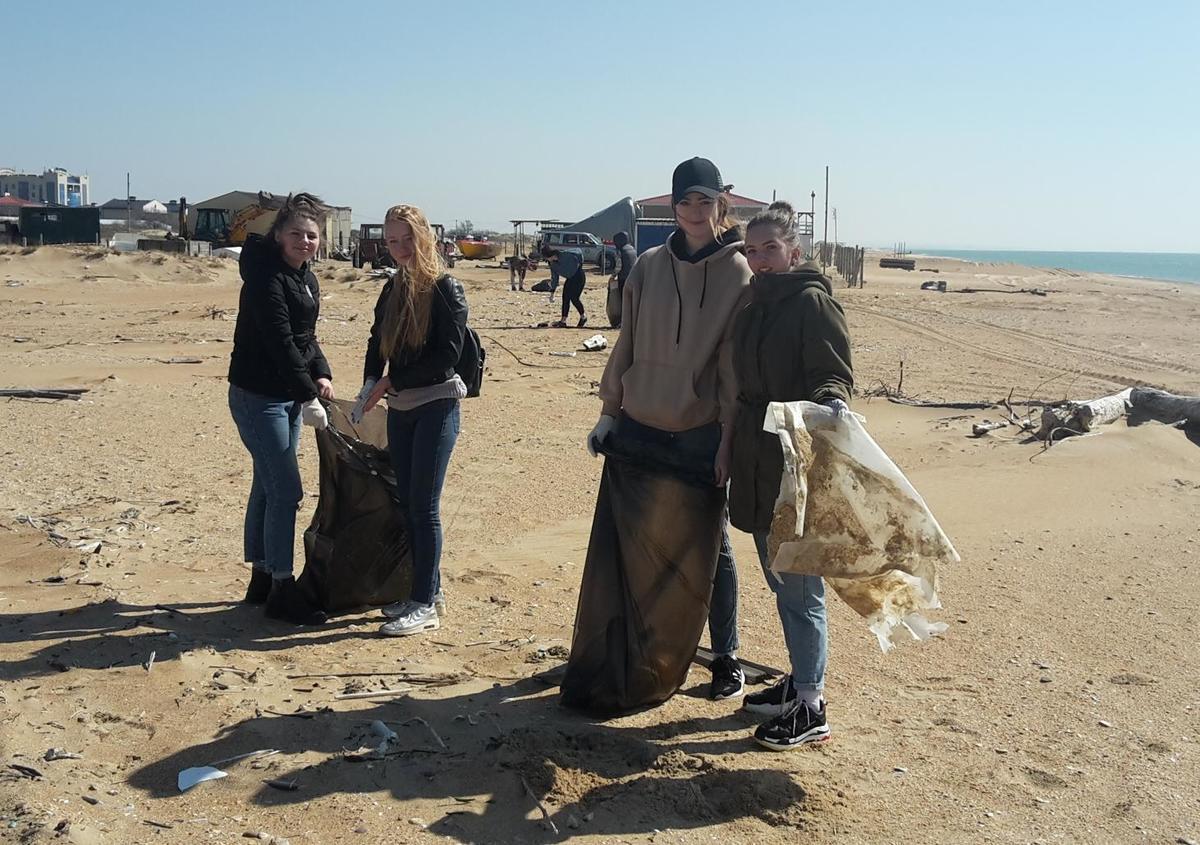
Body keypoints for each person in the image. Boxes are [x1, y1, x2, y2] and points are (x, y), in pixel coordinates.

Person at [591, 157, 752, 701]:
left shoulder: (738, 272)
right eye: (685, 201)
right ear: (673, 205)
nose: (694, 212)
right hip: (639, 422)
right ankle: (642, 647)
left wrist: (727, 438)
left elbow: (732, 368)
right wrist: (609, 410)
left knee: (712, 548)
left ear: (720, 205)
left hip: (699, 430)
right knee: (636, 537)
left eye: (704, 201)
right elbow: (628, 339)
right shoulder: (648, 266)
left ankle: (726, 657)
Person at [727, 200, 853, 750]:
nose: (760, 260)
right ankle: (798, 684)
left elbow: (832, 374)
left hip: (794, 459)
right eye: (752, 251)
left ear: (793, 251)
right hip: (756, 457)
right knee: (782, 582)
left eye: (770, 249)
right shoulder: (754, 303)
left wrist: (831, 402)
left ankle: (811, 705)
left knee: (801, 588)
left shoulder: (811, 302)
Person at [351, 204, 467, 637]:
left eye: (407, 239)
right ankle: (426, 591)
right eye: (392, 240)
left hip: (435, 407)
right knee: (408, 505)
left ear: (425, 238)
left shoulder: (445, 288)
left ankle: (424, 604)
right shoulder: (392, 288)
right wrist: (369, 384)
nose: (400, 248)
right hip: (399, 409)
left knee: (424, 507)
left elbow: (445, 358)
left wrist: (390, 382)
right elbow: (376, 340)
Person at [227, 192, 333, 626]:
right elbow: (280, 341)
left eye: (311, 236)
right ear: (277, 236)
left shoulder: (305, 277)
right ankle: (283, 589)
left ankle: (261, 577)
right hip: (258, 398)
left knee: (266, 486)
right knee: (286, 490)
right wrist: (308, 395)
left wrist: (321, 372)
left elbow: (305, 336)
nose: (304, 242)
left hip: (286, 394)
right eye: (296, 234)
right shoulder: (266, 278)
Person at [541, 244, 587, 327]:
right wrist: (552, 292)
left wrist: (580, 263)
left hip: (579, 276)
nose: (546, 260)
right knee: (565, 297)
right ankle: (563, 321)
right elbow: (554, 278)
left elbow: (578, 251)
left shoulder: (565, 254)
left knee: (574, 298)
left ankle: (583, 317)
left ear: (550, 255)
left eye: (546, 257)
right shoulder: (552, 265)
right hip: (570, 279)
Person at [609, 230, 637, 328]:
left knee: (623, 301)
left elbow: (618, 266)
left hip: (624, 279)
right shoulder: (632, 249)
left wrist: (612, 276)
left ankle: (623, 322)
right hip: (634, 279)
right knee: (632, 301)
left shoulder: (621, 251)